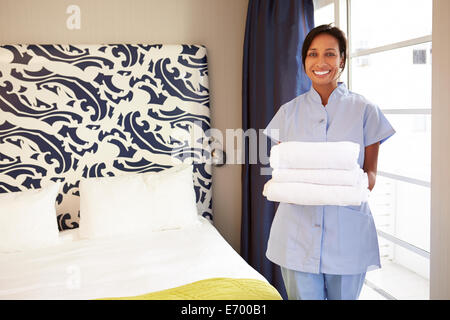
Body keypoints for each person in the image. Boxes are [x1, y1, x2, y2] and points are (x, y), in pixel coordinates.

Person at [263, 24, 396, 300]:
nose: (321, 62)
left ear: (343, 60)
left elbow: (369, 175)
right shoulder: (287, 113)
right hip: (296, 235)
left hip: (347, 235)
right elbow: (284, 174)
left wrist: (342, 187)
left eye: (330, 54)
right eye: (312, 54)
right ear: (304, 62)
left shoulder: (365, 110)